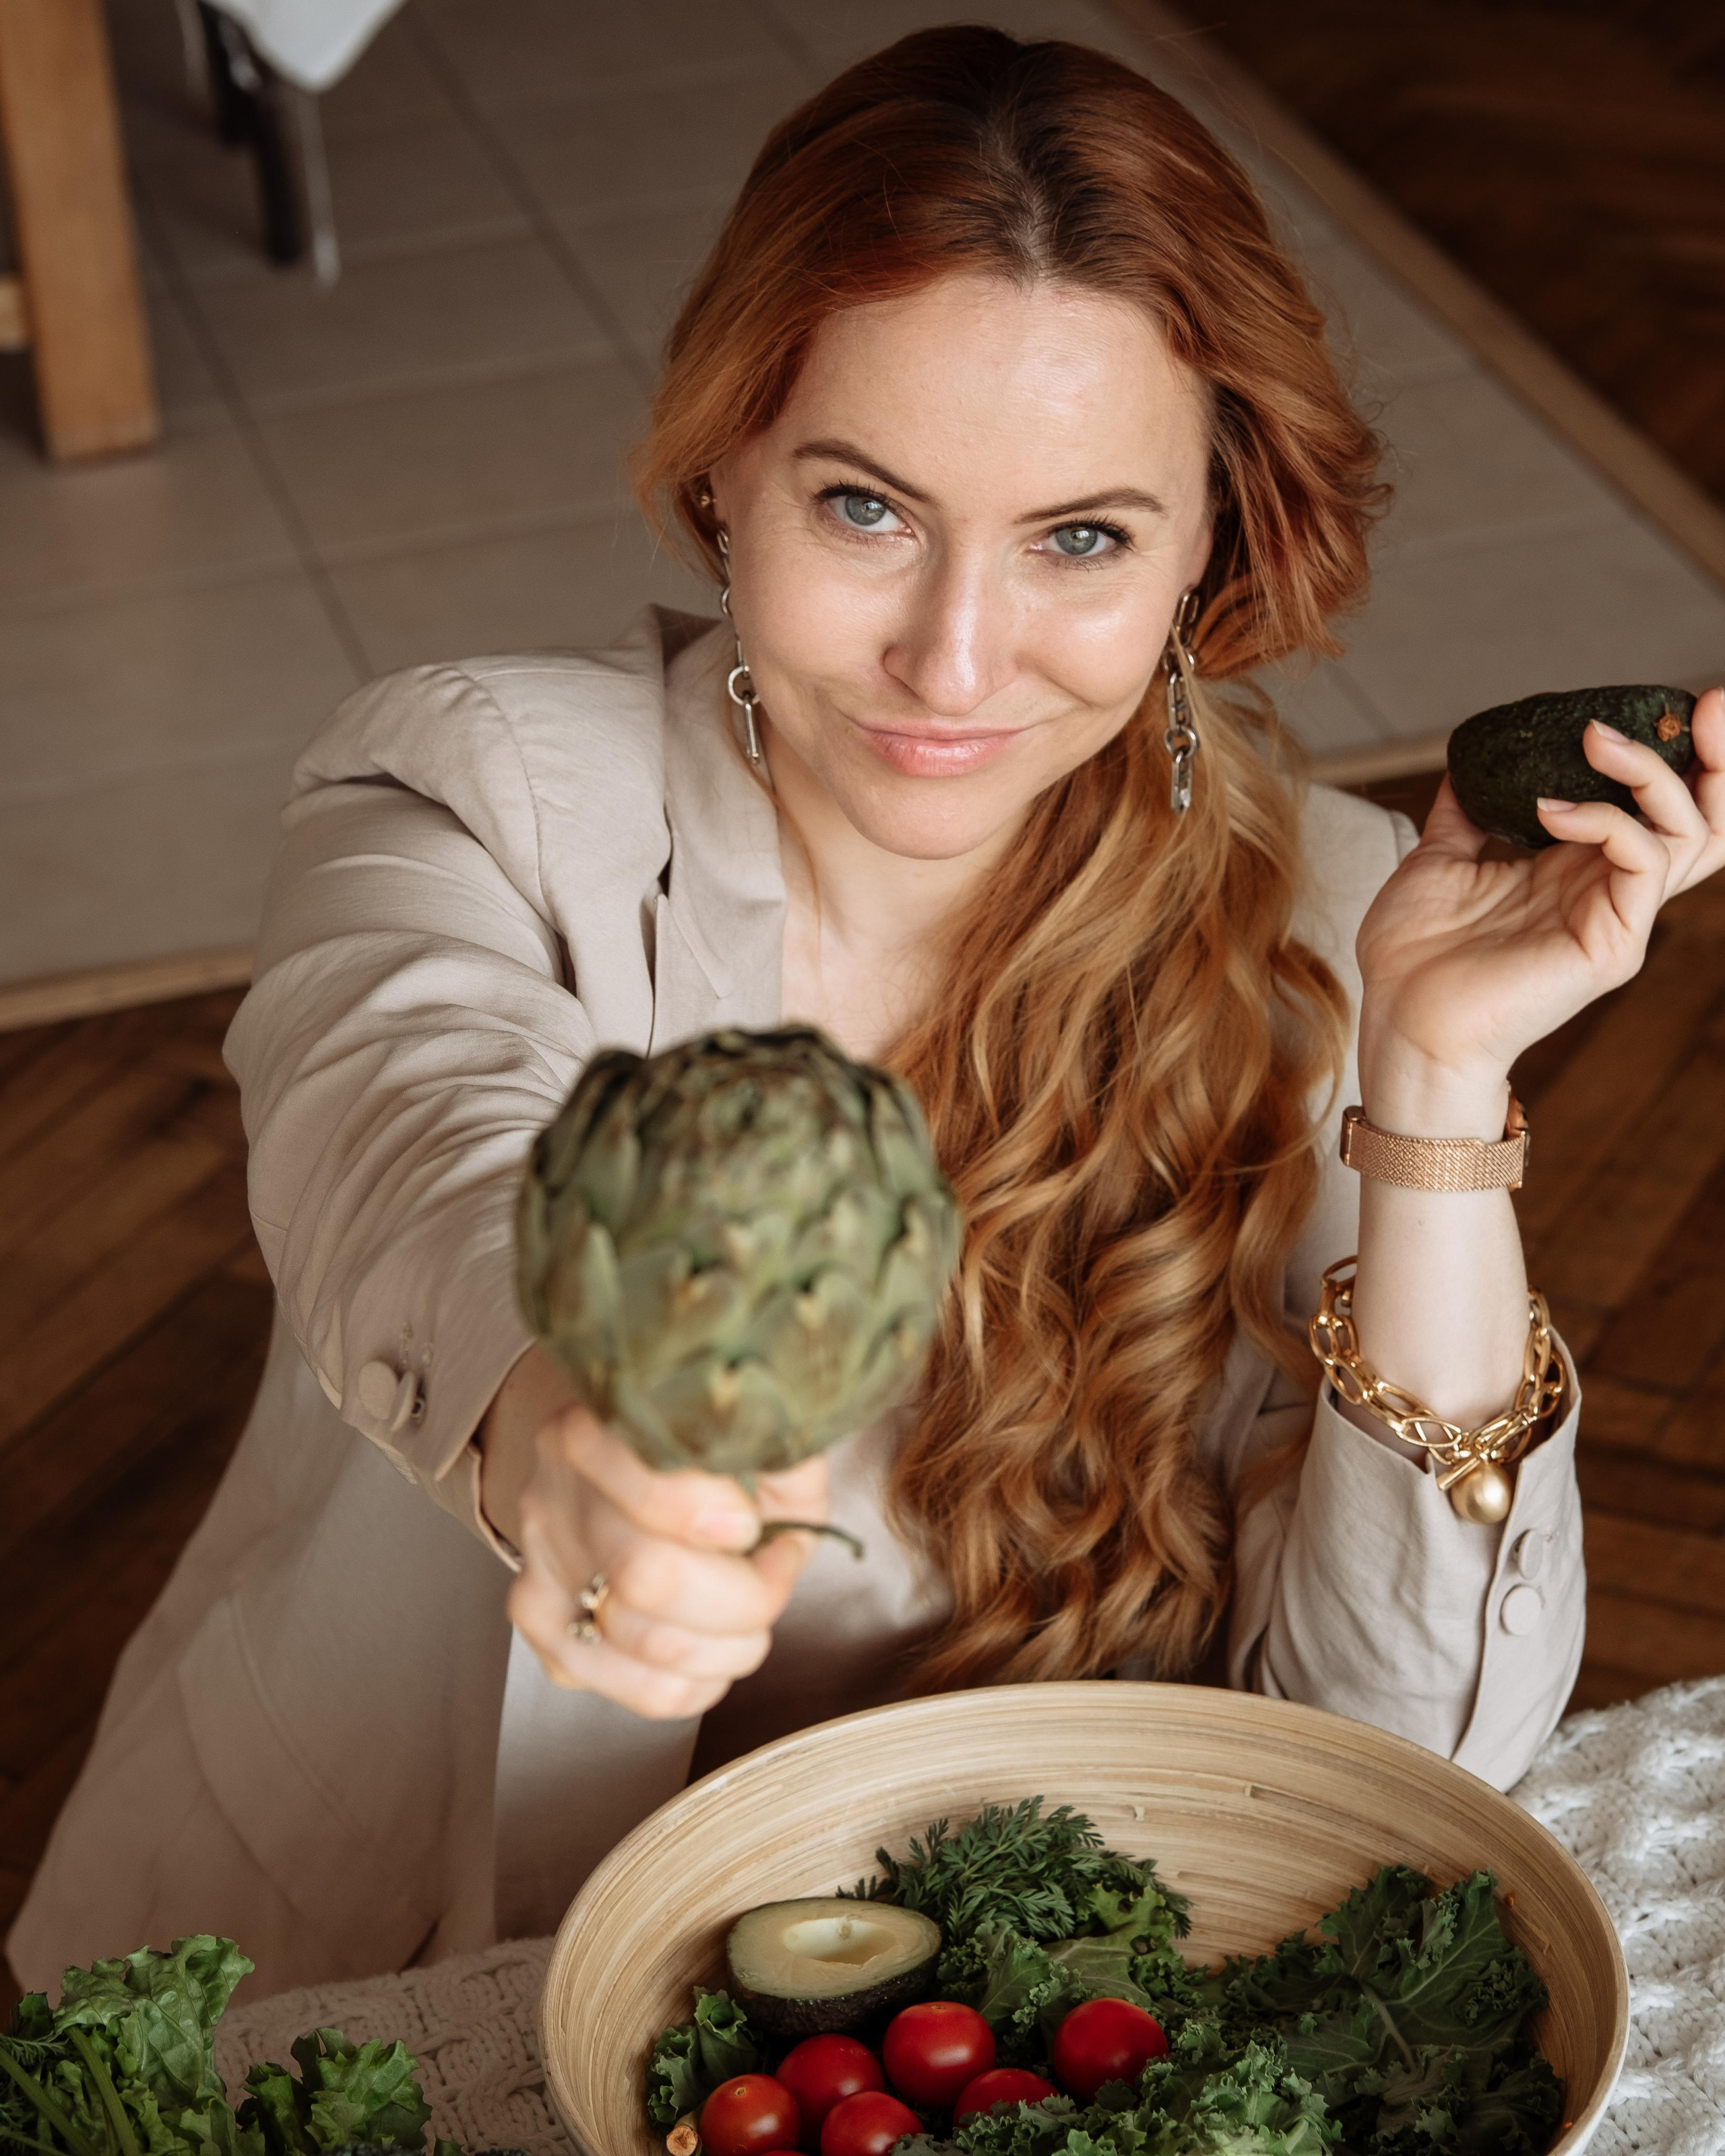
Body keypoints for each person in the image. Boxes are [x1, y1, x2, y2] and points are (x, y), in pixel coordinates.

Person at [13, 26, 1723, 2001]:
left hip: (1014, 2027)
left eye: (1082, 537)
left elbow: (1410, 1758)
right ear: (726, 475)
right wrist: (556, 1429)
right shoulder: (473, 788)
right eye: (865, 510)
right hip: (405, 1966)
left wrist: (1432, 1085)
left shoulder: (1339, 925)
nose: (955, 658)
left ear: (1210, 546)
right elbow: (402, 1130)